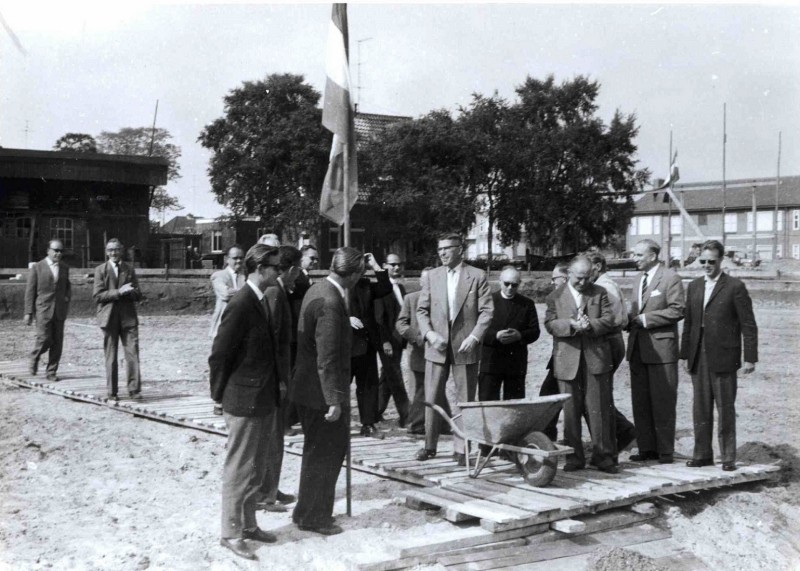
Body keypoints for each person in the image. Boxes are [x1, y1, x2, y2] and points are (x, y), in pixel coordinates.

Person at [208, 244, 282, 561]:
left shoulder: (259, 299)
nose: (279, 272)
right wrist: (218, 395)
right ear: (260, 268)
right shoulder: (240, 303)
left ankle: (249, 525)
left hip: (262, 397)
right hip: (243, 399)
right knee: (239, 468)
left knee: (255, 468)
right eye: (275, 267)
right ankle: (231, 532)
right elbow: (219, 354)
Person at [289, 247, 365, 536]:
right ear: (355, 274)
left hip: (307, 387)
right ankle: (315, 517)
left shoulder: (317, 288)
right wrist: (334, 400)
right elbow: (328, 357)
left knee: (315, 453)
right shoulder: (332, 301)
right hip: (321, 393)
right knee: (328, 454)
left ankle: (305, 512)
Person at [416, 233, 493, 465]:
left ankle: (462, 448)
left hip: (465, 346)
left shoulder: (477, 276)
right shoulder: (432, 276)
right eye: (439, 249)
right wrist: (429, 334)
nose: (442, 253)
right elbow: (421, 311)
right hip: (437, 346)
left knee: (465, 398)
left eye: (447, 248)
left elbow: (487, 311)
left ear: (461, 249)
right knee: (431, 396)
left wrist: (474, 336)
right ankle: (429, 445)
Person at [680, 240, 758, 472]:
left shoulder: (735, 287)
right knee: (700, 408)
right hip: (698, 354)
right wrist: (685, 355)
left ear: (721, 260)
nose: (706, 265)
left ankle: (728, 457)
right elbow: (690, 323)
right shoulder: (694, 286)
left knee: (725, 408)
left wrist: (750, 357)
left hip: (724, 356)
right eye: (702, 261)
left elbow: (748, 324)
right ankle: (702, 454)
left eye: (711, 261)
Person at [545, 256, 617, 473]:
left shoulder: (600, 293)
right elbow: (549, 323)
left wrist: (590, 325)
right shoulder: (555, 296)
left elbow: (609, 320)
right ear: (568, 274)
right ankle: (574, 458)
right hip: (567, 361)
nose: (583, 282)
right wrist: (570, 325)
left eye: (587, 278)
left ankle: (603, 457)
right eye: (579, 278)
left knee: (599, 410)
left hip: (595, 359)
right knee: (570, 412)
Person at [626, 238, 685, 464]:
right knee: (640, 402)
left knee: (663, 401)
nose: (635, 259)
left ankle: (665, 451)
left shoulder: (670, 278)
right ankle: (646, 449)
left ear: (652, 256)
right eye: (634, 254)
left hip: (662, 351)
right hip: (638, 349)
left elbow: (678, 310)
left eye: (639, 255)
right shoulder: (637, 279)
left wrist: (647, 319)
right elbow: (635, 311)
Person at [256, 245, 301, 513]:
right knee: (271, 438)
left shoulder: (281, 291)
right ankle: (264, 494)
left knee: (276, 438)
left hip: (281, 374)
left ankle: (271, 486)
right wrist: (278, 379)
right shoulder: (274, 292)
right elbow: (270, 339)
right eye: (298, 270)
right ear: (292, 269)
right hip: (274, 378)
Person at [584, 250, 637, 458]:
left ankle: (618, 435)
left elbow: (611, 320)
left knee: (595, 394)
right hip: (611, 340)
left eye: (588, 269)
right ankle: (617, 434)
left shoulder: (604, 287)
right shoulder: (609, 284)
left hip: (607, 341)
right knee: (596, 394)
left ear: (597, 267)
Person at [396, 267, 452, 435]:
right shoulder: (411, 299)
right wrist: (419, 337)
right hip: (419, 353)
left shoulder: (444, 300)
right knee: (421, 389)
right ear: (420, 281)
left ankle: (441, 423)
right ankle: (416, 424)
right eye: (426, 280)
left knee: (437, 387)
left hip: (439, 352)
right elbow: (401, 324)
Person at [478, 265, 539, 401]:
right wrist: (495, 335)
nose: (510, 288)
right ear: (500, 282)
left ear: (519, 284)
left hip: (516, 363)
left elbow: (535, 331)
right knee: (487, 404)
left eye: (514, 285)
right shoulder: (488, 301)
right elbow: (478, 329)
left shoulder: (527, 304)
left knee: (514, 405)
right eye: (507, 284)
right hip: (491, 361)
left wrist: (520, 335)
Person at [93, 238, 143, 401]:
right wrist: (119, 292)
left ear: (121, 250)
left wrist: (131, 292)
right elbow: (98, 296)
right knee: (111, 355)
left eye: (116, 249)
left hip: (128, 318)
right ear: (106, 252)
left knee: (132, 354)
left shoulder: (129, 269)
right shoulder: (100, 270)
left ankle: (134, 390)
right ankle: (112, 392)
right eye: (110, 250)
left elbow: (138, 294)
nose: (113, 253)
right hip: (109, 318)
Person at [349, 253, 392, 436]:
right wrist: (345, 319)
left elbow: (385, 288)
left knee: (368, 385)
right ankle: (337, 426)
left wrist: (375, 265)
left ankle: (368, 424)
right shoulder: (339, 286)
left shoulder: (365, 285)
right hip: (347, 344)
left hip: (367, 344)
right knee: (342, 386)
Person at [24, 239, 72, 382]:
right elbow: (30, 291)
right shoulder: (37, 268)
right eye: (56, 250)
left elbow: (67, 287)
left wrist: (67, 298)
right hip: (43, 310)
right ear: (48, 251)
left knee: (57, 342)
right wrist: (28, 312)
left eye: (61, 251)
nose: (58, 253)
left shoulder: (64, 267)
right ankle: (35, 356)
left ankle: (51, 372)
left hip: (59, 311)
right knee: (44, 338)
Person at [375, 253, 411, 427]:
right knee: (395, 375)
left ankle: (376, 411)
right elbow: (379, 318)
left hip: (399, 339)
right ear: (385, 266)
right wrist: (385, 341)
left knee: (387, 376)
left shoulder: (401, 288)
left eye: (399, 264)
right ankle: (407, 414)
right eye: (393, 264)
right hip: (388, 340)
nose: (397, 267)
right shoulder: (381, 288)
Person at [539, 263, 570, 441]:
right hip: (559, 358)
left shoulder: (563, 298)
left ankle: (546, 437)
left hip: (566, 358)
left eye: (554, 279)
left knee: (548, 398)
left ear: (565, 279)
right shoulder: (557, 297)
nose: (552, 283)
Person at [209, 245, 246, 339]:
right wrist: (248, 292)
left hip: (243, 323)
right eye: (235, 258)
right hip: (224, 323)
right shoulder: (219, 276)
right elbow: (225, 294)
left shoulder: (246, 275)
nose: (238, 261)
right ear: (227, 259)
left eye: (241, 258)